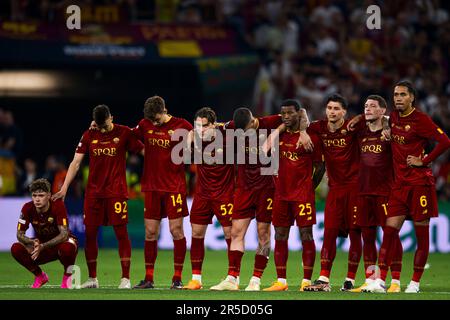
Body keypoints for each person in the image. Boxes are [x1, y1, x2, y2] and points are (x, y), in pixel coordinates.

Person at [362, 81, 450, 293]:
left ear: (412, 98)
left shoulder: (421, 120)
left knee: (421, 235)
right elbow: (384, 122)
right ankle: (380, 281)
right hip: (399, 185)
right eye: (395, 94)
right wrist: (386, 131)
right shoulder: (393, 117)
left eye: (402, 94)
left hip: (420, 184)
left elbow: (445, 141)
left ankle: (415, 283)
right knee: (390, 231)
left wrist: (425, 160)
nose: (398, 98)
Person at [210, 106, 310, 291]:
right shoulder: (233, 127)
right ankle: (232, 278)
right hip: (244, 188)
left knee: (263, 234)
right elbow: (214, 126)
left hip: (267, 189)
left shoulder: (270, 122)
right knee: (236, 233)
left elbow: (301, 111)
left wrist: (300, 132)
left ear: (253, 120)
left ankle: (256, 280)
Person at [53, 105, 144, 289]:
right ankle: (93, 279)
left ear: (112, 117)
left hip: (116, 192)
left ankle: (125, 279)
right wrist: (64, 189)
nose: (102, 129)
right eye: (100, 126)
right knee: (91, 234)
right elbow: (76, 162)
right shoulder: (89, 134)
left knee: (121, 234)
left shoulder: (124, 132)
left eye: (105, 125)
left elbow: (144, 152)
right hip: (93, 194)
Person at [303, 94, 367, 292]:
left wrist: (360, 118)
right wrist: (302, 133)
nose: (332, 111)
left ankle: (350, 280)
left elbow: (379, 118)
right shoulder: (318, 127)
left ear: (344, 112)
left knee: (355, 234)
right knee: (329, 232)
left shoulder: (352, 128)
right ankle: (323, 279)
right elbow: (298, 117)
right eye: (329, 108)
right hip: (335, 189)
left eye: (336, 109)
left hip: (355, 188)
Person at [262, 99, 325, 291]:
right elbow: (264, 152)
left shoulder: (310, 137)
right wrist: (277, 130)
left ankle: (306, 280)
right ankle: (281, 281)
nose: (286, 117)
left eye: (290, 113)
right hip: (281, 195)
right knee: (280, 235)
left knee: (306, 234)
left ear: (299, 114)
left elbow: (320, 166)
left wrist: (309, 187)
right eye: (283, 114)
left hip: (302, 195)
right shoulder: (279, 136)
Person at [132, 96, 193, 290]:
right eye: (151, 120)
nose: (154, 123)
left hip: (174, 187)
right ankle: (148, 278)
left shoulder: (183, 125)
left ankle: (177, 278)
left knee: (176, 232)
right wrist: (142, 150)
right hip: (152, 187)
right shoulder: (144, 124)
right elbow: (128, 136)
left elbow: (197, 142)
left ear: (164, 110)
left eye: (157, 119)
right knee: (150, 233)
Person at [350, 95, 403, 293]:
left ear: (383, 111)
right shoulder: (360, 133)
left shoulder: (391, 133)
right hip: (363, 192)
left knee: (391, 237)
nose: (368, 109)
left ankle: (396, 281)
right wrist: (358, 117)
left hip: (386, 193)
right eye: (365, 106)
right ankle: (372, 279)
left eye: (373, 106)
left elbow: (395, 120)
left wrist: (388, 123)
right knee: (368, 238)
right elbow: (351, 122)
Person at [183, 107, 234, 290]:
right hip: (202, 194)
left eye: (204, 126)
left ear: (214, 124)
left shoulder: (228, 137)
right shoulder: (194, 138)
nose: (201, 130)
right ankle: (196, 278)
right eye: (198, 127)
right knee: (196, 233)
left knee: (230, 235)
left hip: (224, 194)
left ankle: (232, 277)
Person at [11, 178, 78, 289]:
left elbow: (64, 234)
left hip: (59, 244)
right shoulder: (27, 208)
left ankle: (67, 276)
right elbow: (19, 234)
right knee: (16, 248)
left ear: (49, 195)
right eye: (34, 196)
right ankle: (40, 276)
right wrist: (31, 241)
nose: (37, 199)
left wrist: (43, 246)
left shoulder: (58, 205)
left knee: (68, 247)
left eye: (41, 195)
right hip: (42, 245)